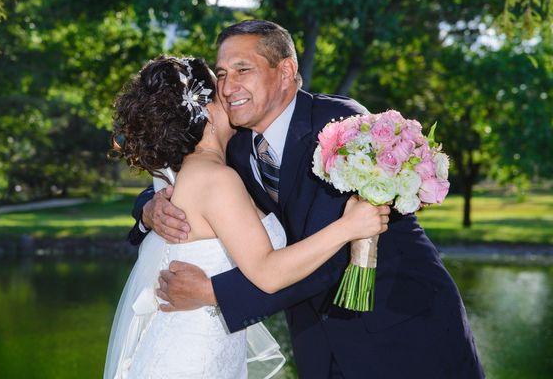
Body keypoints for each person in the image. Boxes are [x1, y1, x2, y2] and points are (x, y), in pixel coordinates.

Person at [131, 20, 485, 378]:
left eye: (243, 70)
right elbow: (183, 166)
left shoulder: (342, 126)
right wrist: (149, 208)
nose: (226, 87)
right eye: (221, 74)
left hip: (403, 329)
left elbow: (332, 257)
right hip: (317, 343)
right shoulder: (234, 142)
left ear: (285, 71)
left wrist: (216, 294)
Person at [104, 55, 390, 379]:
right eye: (219, 83)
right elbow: (267, 271)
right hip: (189, 360)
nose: (229, 91)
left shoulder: (211, 167)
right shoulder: (215, 179)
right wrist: (349, 227)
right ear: (206, 109)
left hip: (209, 350)